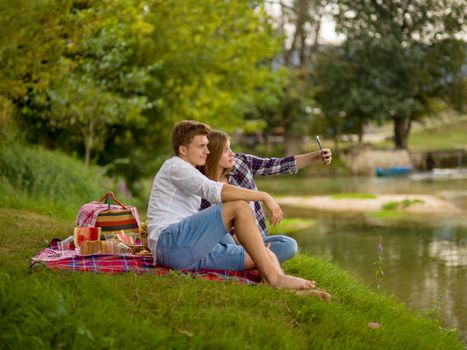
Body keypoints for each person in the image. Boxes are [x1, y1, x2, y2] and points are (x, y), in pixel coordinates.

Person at [147, 120, 321, 291]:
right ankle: (275, 278)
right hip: (170, 243)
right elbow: (214, 190)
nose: (207, 151)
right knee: (238, 206)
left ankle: (280, 284)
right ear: (183, 150)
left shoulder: (192, 171)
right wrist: (263, 196)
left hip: (191, 254)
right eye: (201, 146)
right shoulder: (175, 167)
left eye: (207, 146)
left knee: (265, 254)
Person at [200, 130, 332, 263]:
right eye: (226, 150)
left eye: (230, 147)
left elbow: (278, 165)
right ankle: (258, 259)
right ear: (213, 154)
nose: (232, 154)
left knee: (289, 245)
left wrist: (317, 155)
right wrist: (235, 237)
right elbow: (211, 225)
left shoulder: (241, 163)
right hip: (227, 242)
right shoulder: (200, 184)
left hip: (256, 239)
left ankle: (248, 259)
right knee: (224, 239)